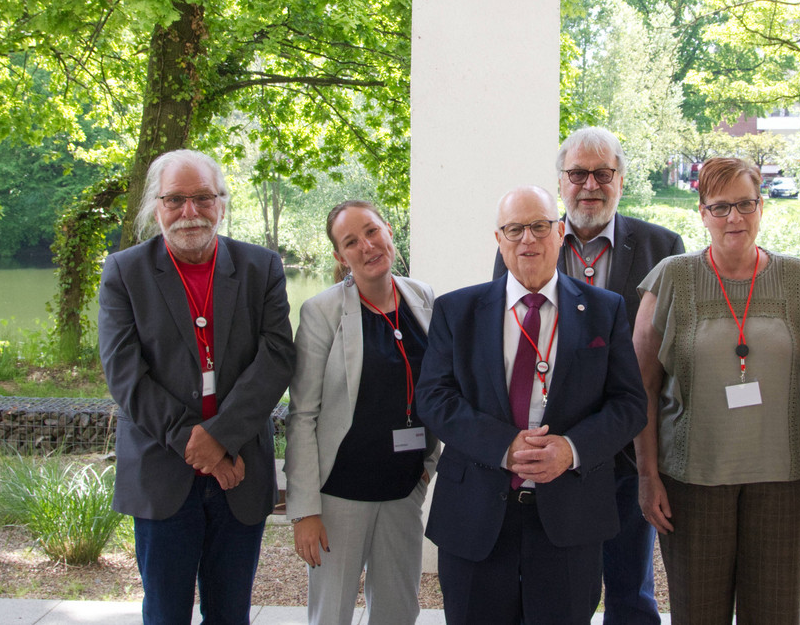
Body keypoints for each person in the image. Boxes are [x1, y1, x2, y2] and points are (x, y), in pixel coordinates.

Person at [418, 185, 647, 624]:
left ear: (559, 232)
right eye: (515, 229)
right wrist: (504, 445)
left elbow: (630, 404)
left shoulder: (604, 310)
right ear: (498, 239)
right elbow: (433, 397)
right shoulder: (457, 311)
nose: (528, 239)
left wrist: (572, 448)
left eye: (539, 226)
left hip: (570, 520)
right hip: (476, 516)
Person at [492, 127, 683, 624]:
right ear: (561, 181)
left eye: (603, 173)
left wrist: (653, 462)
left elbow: (673, 355)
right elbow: (504, 339)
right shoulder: (528, 241)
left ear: (621, 179)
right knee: (557, 594)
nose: (590, 184)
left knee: (630, 592)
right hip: (550, 452)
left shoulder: (664, 247)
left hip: (625, 452)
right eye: (578, 173)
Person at [98, 149, 295, 624]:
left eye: (203, 198)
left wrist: (221, 438)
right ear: (156, 206)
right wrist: (199, 445)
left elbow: (277, 358)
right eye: (176, 200)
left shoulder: (260, 268)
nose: (190, 212)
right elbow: (126, 377)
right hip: (162, 474)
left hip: (239, 470)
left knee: (231, 615)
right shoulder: (125, 273)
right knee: (165, 614)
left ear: (221, 203)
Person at [632, 157, 800, 624]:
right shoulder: (671, 278)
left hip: (782, 482)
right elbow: (641, 384)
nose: (734, 218)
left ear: (762, 207)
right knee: (698, 615)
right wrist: (647, 475)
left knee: (776, 615)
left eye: (745, 204)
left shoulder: (798, 277)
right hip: (692, 482)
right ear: (701, 213)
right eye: (720, 207)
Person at [284, 201, 439, 624]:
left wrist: (428, 462)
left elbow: (439, 388)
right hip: (339, 496)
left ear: (389, 230)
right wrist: (305, 510)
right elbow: (302, 416)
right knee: (331, 614)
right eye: (351, 242)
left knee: (398, 610)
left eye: (372, 232)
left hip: (403, 488)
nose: (367, 246)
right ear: (339, 256)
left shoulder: (422, 296)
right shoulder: (322, 312)